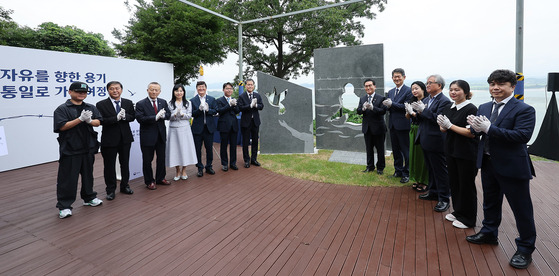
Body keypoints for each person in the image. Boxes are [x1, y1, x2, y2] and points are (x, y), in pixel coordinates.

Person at [466, 69, 536, 269]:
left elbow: (522, 136)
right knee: (490, 202)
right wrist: (474, 126)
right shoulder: (485, 106)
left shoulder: (524, 109)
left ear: (513, 86)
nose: (495, 88)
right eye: (492, 84)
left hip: (513, 166)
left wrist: (489, 128)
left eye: (501, 84)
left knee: (521, 210)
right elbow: (477, 131)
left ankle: (525, 249)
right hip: (488, 163)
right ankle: (489, 232)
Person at [53, 81, 103, 219]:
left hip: (88, 148)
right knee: (68, 179)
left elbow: (98, 121)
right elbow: (62, 126)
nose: (82, 94)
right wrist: (80, 119)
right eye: (78, 91)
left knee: (88, 175)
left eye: (84, 92)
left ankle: (89, 198)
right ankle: (64, 206)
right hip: (70, 149)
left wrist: (89, 121)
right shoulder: (62, 109)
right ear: (70, 92)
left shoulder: (90, 107)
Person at [436, 80, 479, 229]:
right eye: (451, 90)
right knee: (454, 182)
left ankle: (468, 218)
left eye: (457, 90)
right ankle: (458, 211)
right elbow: (444, 129)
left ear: (466, 92)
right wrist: (442, 125)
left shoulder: (471, 108)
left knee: (466, 184)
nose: (453, 92)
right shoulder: (450, 107)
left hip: (466, 152)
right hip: (451, 150)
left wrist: (450, 126)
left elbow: (470, 133)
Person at [411, 74, 451, 212]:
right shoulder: (427, 99)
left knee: (440, 171)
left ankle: (444, 198)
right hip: (425, 138)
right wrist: (415, 113)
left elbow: (439, 119)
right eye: (426, 83)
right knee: (431, 169)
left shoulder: (444, 101)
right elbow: (424, 118)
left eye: (430, 83)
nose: (427, 85)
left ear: (439, 85)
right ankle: (433, 191)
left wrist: (424, 111)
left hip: (436, 141)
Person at [96, 81, 135, 200]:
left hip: (125, 139)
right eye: (112, 88)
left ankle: (125, 186)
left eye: (117, 88)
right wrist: (115, 118)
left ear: (121, 90)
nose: (115, 91)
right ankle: (110, 189)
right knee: (109, 165)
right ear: (108, 90)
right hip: (109, 139)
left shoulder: (128, 103)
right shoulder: (101, 104)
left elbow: (132, 117)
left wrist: (124, 117)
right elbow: (100, 120)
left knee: (125, 163)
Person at [135, 82, 171, 190]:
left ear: (160, 91)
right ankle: (149, 181)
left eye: (156, 90)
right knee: (147, 160)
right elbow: (140, 119)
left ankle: (160, 178)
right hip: (147, 136)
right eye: (152, 89)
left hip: (160, 135)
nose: (154, 92)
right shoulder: (141, 103)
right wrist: (154, 117)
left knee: (161, 158)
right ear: (147, 90)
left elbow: (168, 115)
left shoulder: (163, 102)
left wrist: (164, 115)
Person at [383, 68, 412, 183]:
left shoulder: (409, 90)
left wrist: (392, 104)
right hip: (393, 124)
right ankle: (398, 171)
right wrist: (385, 105)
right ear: (392, 78)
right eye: (394, 77)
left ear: (404, 77)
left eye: (399, 76)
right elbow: (389, 107)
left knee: (406, 150)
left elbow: (406, 106)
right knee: (395, 150)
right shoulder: (390, 91)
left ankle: (407, 173)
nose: (396, 78)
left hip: (404, 124)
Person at [166, 84, 197, 181]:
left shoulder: (188, 103)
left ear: (183, 92)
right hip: (174, 129)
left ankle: (184, 170)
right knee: (175, 150)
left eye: (181, 91)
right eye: (177, 91)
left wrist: (183, 114)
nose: (179, 93)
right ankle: (177, 170)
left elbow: (189, 115)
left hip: (185, 128)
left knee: (184, 149)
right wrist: (174, 114)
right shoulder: (170, 103)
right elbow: (168, 117)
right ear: (173, 92)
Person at [356, 78, 387, 175]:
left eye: (370, 85)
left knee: (380, 149)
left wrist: (373, 108)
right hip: (367, 128)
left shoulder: (381, 98)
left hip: (378, 128)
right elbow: (358, 111)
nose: (368, 87)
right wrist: (363, 109)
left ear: (374, 86)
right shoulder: (362, 98)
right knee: (369, 149)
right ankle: (370, 166)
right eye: (366, 86)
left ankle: (380, 168)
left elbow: (383, 111)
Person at [404, 81, 429, 192]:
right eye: (412, 89)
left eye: (416, 88)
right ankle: (417, 178)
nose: (414, 91)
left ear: (423, 89)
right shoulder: (412, 101)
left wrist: (415, 113)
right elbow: (408, 117)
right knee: (413, 154)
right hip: (413, 129)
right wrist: (408, 111)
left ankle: (425, 181)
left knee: (422, 156)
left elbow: (424, 117)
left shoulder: (427, 101)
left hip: (422, 129)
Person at [190, 81, 218, 177]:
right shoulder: (193, 100)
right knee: (198, 149)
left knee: (209, 149)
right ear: (197, 89)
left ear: (206, 88)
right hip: (197, 129)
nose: (201, 89)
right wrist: (199, 110)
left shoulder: (212, 99)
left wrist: (208, 110)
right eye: (199, 87)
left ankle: (209, 166)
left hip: (208, 128)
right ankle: (199, 168)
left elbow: (215, 111)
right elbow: (192, 114)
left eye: (203, 87)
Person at [238, 78, 264, 168]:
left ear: (254, 86)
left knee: (255, 142)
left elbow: (261, 106)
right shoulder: (242, 96)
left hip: (255, 122)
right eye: (248, 84)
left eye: (251, 84)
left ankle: (254, 159)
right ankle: (246, 160)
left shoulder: (257, 95)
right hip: (246, 122)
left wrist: (256, 105)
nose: (250, 86)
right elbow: (240, 107)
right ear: (245, 86)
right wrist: (249, 106)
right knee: (245, 142)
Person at [216, 82, 240, 171]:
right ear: (223, 90)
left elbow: (237, 110)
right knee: (224, 146)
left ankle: (233, 163)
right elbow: (220, 111)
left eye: (230, 88)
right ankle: (224, 164)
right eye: (227, 88)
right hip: (224, 126)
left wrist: (234, 105)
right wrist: (229, 105)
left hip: (234, 125)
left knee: (233, 146)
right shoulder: (219, 100)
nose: (229, 90)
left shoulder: (234, 99)